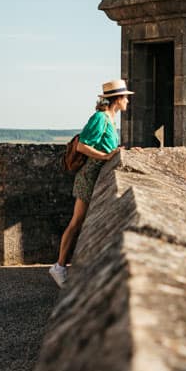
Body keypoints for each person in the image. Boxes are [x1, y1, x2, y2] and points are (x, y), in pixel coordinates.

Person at [49, 79, 134, 287]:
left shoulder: (110, 119)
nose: (128, 102)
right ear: (117, 99)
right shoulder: (100, 118)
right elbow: (82, 146)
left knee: (82, 221)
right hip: (89, 176)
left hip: (97, 176)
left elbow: (108, 147)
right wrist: (105, 157)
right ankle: (59, 267)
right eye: (125, 98)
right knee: (77, 221)